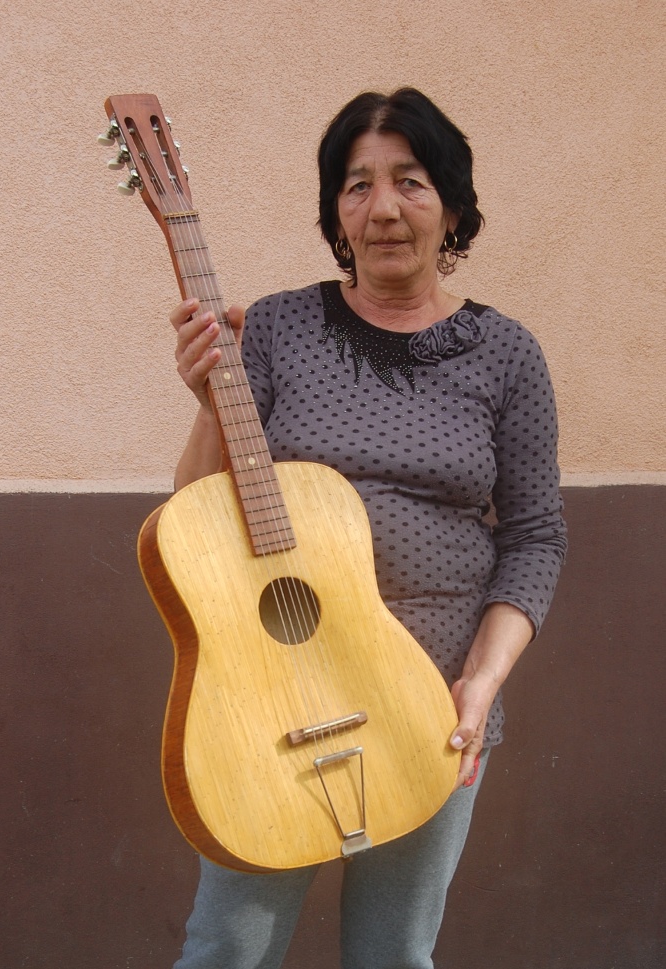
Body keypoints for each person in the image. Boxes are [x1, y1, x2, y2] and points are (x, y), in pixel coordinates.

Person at [168, 87, 567, 969]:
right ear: (335, 214)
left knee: (393, 953)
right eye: (356, 186)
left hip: (428, 705)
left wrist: (479, 683)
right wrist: (208, 406)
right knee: (227, 947)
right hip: (274, 704)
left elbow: (535, 534)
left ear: (452, 205)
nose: (383, 207)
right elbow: (193, 523)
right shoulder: (277, 328)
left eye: (410, 182)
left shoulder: (508, 356)